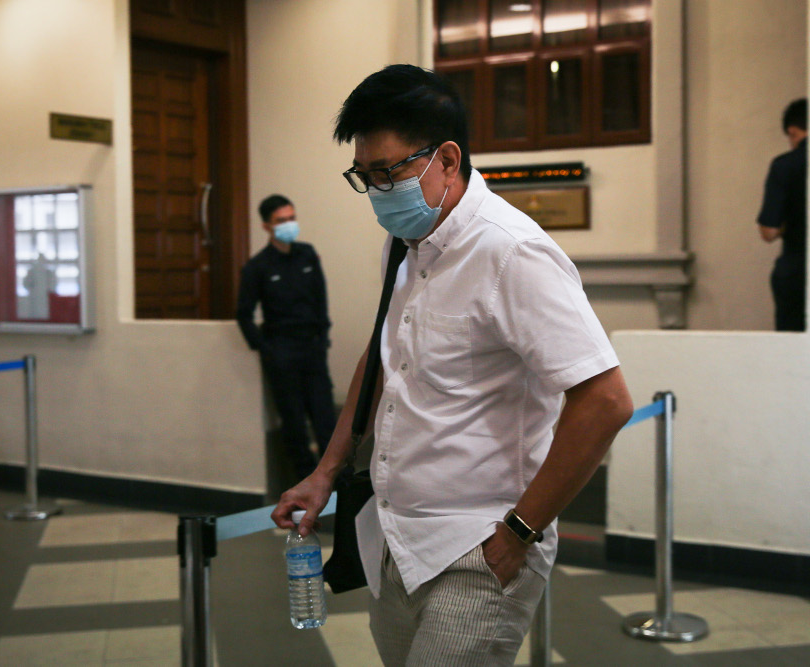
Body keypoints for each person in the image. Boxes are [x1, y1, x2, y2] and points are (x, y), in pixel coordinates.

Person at [271, 65, 633, 666]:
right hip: (396, 538)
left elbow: (605, 400)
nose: (380, 191)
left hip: (480, 545)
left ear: (446, 158)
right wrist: (326, 472)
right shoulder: (404, 245)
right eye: (366, 176)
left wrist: (521, 530)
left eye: (390, 172)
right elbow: (384, 356)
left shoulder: (511, 252)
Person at [236, 194, 337, 480]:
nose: (289, 224)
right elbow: (244, 314)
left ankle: (338, 492)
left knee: (326, 422)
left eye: (292, 218)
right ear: (267, 226)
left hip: (313, 350)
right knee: (294, 427)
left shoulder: (307, 254)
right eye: (281, 221)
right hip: (281, 354)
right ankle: (303, 496)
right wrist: (265, 349)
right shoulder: (258, 267)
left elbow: (320, 299)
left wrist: (322, 337)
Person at [757, 98, 808, 332]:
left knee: (793, 342)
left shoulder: (785, 165)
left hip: (795, 269)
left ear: (793, 131)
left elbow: (768, 231)